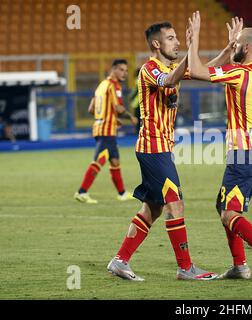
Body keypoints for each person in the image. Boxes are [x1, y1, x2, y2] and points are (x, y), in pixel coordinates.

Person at [107, 22, 217, 281]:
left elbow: (207, 69)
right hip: (152, 148)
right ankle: (185, 267)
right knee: (174, 204)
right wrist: (192, 47)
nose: (177, 42)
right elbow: (168, 81)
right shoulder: (150, 69)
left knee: (152, 209)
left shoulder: (170, 68)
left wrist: (229, 46)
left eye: (178, 37)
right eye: (171, 38)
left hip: (160, 149)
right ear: (157, 44)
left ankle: (120, 261)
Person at [187, 11, 252, 284]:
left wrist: (194, 38)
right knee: (224, 206)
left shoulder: (238, 73)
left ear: (246, 48)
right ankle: (240, 266)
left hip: (243, 154)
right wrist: (232, 46)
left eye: (237, 46)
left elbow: (195, 71)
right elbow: (232, 64)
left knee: (229, 212)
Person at [74, 59, 138, 204]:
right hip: (106, 130)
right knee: (99, 160)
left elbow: (91, 109)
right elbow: (118, 108)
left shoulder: (101, 86)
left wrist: (111, 118)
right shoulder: (114, 85)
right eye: (121, 70)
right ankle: (82, 191)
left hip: (100, 126)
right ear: (113, 69)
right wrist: (130, 117)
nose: (125, 73)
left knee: (115, 161)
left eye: (126, 70)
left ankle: (121, 193)